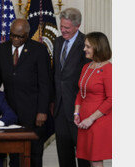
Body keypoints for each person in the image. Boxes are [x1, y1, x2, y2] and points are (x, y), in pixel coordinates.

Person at [0, 18, 51, 167]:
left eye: (20, 36)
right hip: (10, 112)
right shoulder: (1, 49)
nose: (15, 39)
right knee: (14, 153)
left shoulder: (39, 50)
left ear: (27, 35)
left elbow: (45, 83)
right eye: (12, 35)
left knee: (34, 154)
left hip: (33, 112)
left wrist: (42, 111)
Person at [51, 8, 91, 167]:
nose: (63, 30)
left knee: (83, 153)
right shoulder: (58, 41)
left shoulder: (86, 43)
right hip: (60, 107)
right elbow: (55, 73)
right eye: (62, 26)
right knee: (63, 152)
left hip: (79, 107)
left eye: (67, 28)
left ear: (77, 25)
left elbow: (88, 78)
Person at [74, 32, 112, 167]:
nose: (84, 49)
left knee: (95, 159)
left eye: (88, 46)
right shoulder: (87, 66)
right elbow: (80, 93)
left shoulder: (108, 69)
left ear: (98, 47)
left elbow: (111, 100)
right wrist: (76, 113)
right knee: (88, 157)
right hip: (84, 120)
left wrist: (91, 119)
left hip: (98, 120)